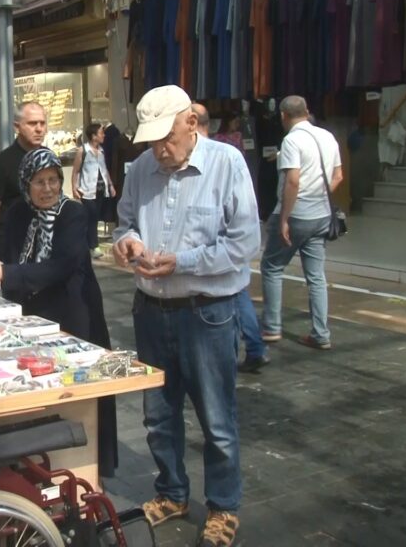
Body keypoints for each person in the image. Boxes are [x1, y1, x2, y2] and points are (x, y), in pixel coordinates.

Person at [113, 85, 259, 547]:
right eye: (152, 141)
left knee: (217, 419)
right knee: (158, 414)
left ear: (191, 123)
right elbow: (125, 221)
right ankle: (172, 492)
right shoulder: (142, 168)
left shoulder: (227, 164)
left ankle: (223, 505)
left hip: (207, 313)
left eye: (167, 138)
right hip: (150, 310)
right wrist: (127, 242)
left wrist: (183, 262)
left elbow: (244, 243)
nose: (160, 149)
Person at [0, 147, 118, 477]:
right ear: (26, 184)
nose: (48, 188)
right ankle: (42, 463)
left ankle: (87, 469)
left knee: (78, 393)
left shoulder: (73, 214)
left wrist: (7, 274)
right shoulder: (18, 212)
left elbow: (63, 265)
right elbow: (7, 255)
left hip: (72, 315)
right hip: (32, 316)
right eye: (39, 181)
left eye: (53, 180)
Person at [261, 95, 343, 350]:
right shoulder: (327, 136)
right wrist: (319, 196)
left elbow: (293, 180)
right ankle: (321, 333)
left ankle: (272, 327)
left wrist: (284, 218)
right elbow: (338, 175)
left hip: (296, 214)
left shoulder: (292, 141)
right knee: (316, 276)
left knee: (272, 267)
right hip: (321, 215)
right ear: (307, 111)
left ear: (283, 116)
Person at [192, 103, 269, 372]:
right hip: (226, 235)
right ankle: (255, 347)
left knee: (233, 294)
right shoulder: (229, 147)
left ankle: (249, 348)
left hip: (219, 238)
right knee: (238, 292)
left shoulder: (223, 151)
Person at [0, 102, 48, 265]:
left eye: (42, 123)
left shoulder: (48, 158)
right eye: (32, 123)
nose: (39, 129)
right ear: (17, 127)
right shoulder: (3, 162)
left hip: (44, 246)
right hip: (11, 248)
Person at [71, 123, 115, 259]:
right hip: (87, 191)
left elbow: (104, 170)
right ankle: (93, 246)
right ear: (94, 136)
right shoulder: (83, 150)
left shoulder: (101, 151)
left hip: (100, 190)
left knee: (94, 218)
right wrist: (74, 188)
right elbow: (75, 171)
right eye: (101, 133)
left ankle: (89, 244)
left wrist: (111, 185)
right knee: (92, 216)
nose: (104, 135)